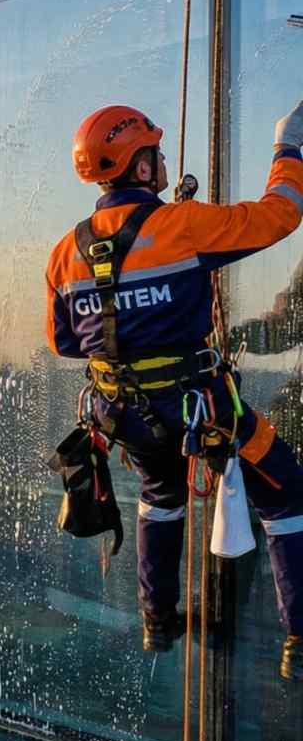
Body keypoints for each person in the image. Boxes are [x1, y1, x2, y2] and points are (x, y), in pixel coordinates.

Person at [45, 101, 303, 679]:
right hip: (198, 410)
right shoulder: (182, 227)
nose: (161, 161)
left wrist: (130, 320)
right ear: (140, 167)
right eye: (155, 153)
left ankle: (156, 620)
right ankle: (300, 636)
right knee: (285, 491)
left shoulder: (66, 253)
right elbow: (280, 214)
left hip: (122, 415)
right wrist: (287, 147)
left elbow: (64, 341)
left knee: (162, 494)